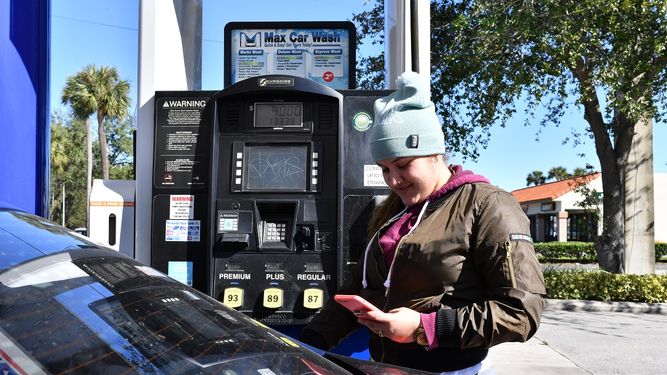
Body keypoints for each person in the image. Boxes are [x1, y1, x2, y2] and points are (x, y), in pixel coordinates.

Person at [298, 71, 546, 374]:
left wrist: (424, 327)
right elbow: (360, 290)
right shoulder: (395, 211)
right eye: (385, 169)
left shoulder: (488, 204)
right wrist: (308, 344)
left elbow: (521, 312)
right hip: (386, 367)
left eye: (402, 165)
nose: (393, 180)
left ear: (435, 154)